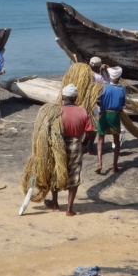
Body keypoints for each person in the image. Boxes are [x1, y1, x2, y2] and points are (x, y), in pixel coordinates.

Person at [45, 84, 94, 216]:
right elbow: (91, 132)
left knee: (56, 171)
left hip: (58, 145)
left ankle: (55, 203)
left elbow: (47, 131)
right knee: (74, 175)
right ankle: (69, 209)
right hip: (76, 145)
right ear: (75, 97)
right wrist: (84, 143)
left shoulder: (56, 112)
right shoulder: (82, 111)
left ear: (63, 97)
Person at [96, 66, 126, 174]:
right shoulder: (122, 90)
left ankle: (99, 163)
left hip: (103, 114)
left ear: (110, 77)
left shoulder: (104, 88)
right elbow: (122, 106)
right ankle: (114, 167)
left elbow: (98, 101)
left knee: (100, 139)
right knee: (116, 141)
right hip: (114, 116)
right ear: (119, 77)